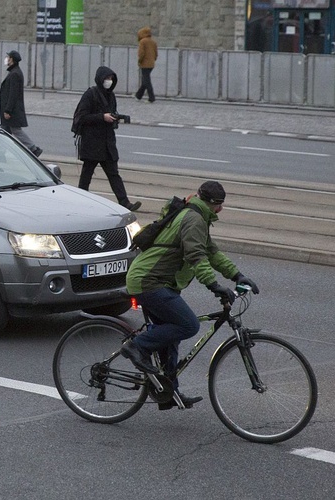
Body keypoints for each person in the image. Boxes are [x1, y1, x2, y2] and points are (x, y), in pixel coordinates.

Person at [121, 181, 260, 409]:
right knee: (188, 325)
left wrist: (237, 275)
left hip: (159, 281)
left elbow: (211, 252)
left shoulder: (197, 216)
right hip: (148, 281)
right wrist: (214, 286)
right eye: (218, 205)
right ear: (209, 203)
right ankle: (136, 347)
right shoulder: (194, 218)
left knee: (170, 336)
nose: (221, 210)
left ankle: (168, 391)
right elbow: (196, 256)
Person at [71, 66, 141, 212]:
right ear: (100, 79)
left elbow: (111, 113)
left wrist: (118, 117)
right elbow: (82, 117)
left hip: (107, 143)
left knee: (113, 174)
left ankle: (125, 202)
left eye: (111, 79)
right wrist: (102, 117)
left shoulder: (111, 95)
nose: (109, 81)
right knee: (86, 175)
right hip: (92, 143)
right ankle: (79, 201)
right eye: (107, 79)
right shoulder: (90, 94)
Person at [0, 50, 42, 157]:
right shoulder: (14, 72)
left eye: (8, 57)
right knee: (4, 131)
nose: (7, 59)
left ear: (12, 59)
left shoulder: (14, 74)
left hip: (11, 110)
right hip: (10, 108)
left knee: (15, 130)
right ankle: (1, 154)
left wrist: (7, 110)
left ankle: (33, 148)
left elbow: (13, 94)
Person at [134, 26, 158, 103]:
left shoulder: (142, 41)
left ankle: (151, 98)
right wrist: (153, 60)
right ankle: (138, 95)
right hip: (151, 64)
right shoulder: (153, 42)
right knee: (145, 80)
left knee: (147, 81)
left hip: (144, 64)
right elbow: (156, 53)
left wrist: (139, 61)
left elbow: (141, 53)